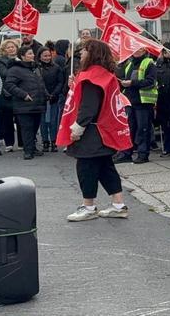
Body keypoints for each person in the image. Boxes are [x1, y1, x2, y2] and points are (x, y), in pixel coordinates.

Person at [60, 40, 132, 222]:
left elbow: (89, 106)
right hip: (103, 131)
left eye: (84, 51)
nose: (81, 54)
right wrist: (75, 85)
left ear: (92, 53)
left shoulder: (91, 77)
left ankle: (88, 206)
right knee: (105, 167)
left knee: (86, 168)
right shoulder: (105, 74)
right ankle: (118, 205)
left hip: (91, 132)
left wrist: (78, 128)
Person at [4, 45, 47, 160]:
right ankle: (28, 151)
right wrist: (23, 95)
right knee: (27, 128)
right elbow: (9, 85)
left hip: (37, 104)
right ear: (22, 56)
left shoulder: (35, 68)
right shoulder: (15, 69)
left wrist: (45, 95)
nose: (32, 55)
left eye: (32, 53)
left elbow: (40, 84)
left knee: (34, 128)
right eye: (29, 54)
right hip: (24, 105)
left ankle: (32, 147)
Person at [116, 47, 157, 164]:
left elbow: (150, 82)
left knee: (143, 129)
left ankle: (143, 154)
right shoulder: (130, 64)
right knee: (129, 129)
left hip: (143, 102)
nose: (134, 51)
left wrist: (132, 83)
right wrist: (123, 83)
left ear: (144, 51)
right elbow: (126, 79)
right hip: (130, 101)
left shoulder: (149, 63)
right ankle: (126, 153)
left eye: (138, 49)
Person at [38, 46, 66, 153]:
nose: (47, 58)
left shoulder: (57, 67)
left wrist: (54, 93)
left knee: (54, 121)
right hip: (42, 98)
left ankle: (54, 141)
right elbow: (39, 82)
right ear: (40, 57)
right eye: (44, 56)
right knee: (43, 121)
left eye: (49, 55)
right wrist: (45, 93)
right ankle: (45, 141)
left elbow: (60, 82)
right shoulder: (37, 68)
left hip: (54, 97)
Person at [0, 39, 19, 153]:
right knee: (7, 120)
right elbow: (4, 73)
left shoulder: (20, 59)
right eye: (8, 47)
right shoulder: (0, 61)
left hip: (20, 93)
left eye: (13, 47)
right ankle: (9, 143)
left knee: (20, 120)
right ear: (4, 50)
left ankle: (22, 143)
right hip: (6, 94)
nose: (11, 49)